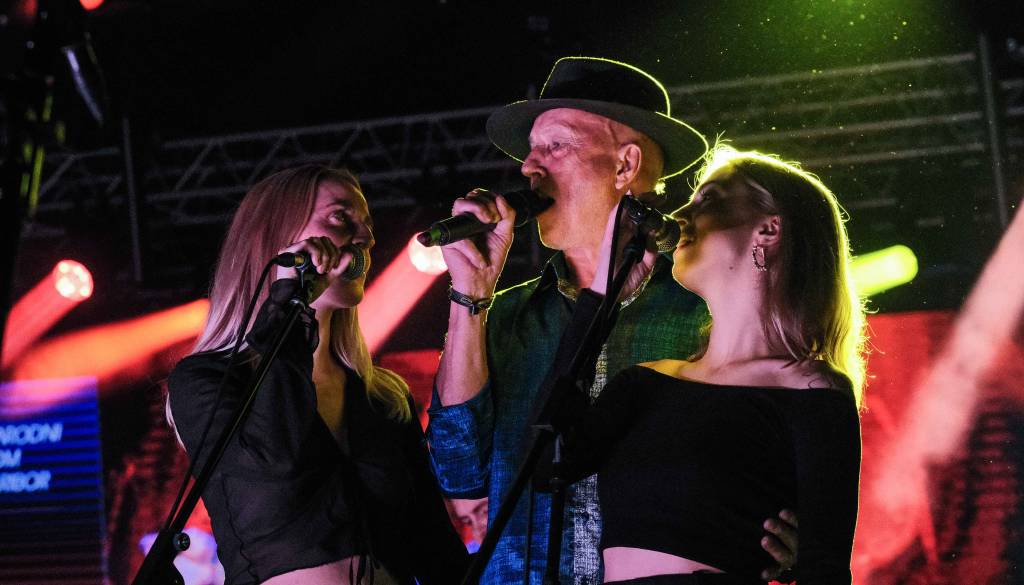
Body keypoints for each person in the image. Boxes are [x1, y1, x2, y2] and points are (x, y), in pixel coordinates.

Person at [426, 56, 798, 584]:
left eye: (555, 145)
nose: (529, 167)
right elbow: (457, 472)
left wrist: (797, 530)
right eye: (530, 150)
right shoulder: (502, 313)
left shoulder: (708, 312)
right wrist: (470, 295)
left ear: (625, 166)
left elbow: (781, 458)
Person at [537, 145, 865, 584]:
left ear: (768, 229)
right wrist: (602, 297)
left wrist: (801, 562)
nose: (680, 215)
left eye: (707, 199)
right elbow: (545, 464)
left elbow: (826, 570)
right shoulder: (644, 384)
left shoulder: (811, 394)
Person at [167, 165, 468, 585]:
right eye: (340, 217)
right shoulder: (207, 382)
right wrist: (289, 302)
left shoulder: (382, 397)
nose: (365, 237)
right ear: (279, 238)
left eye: (367, 224)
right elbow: (277, 461)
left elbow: (434, 544)